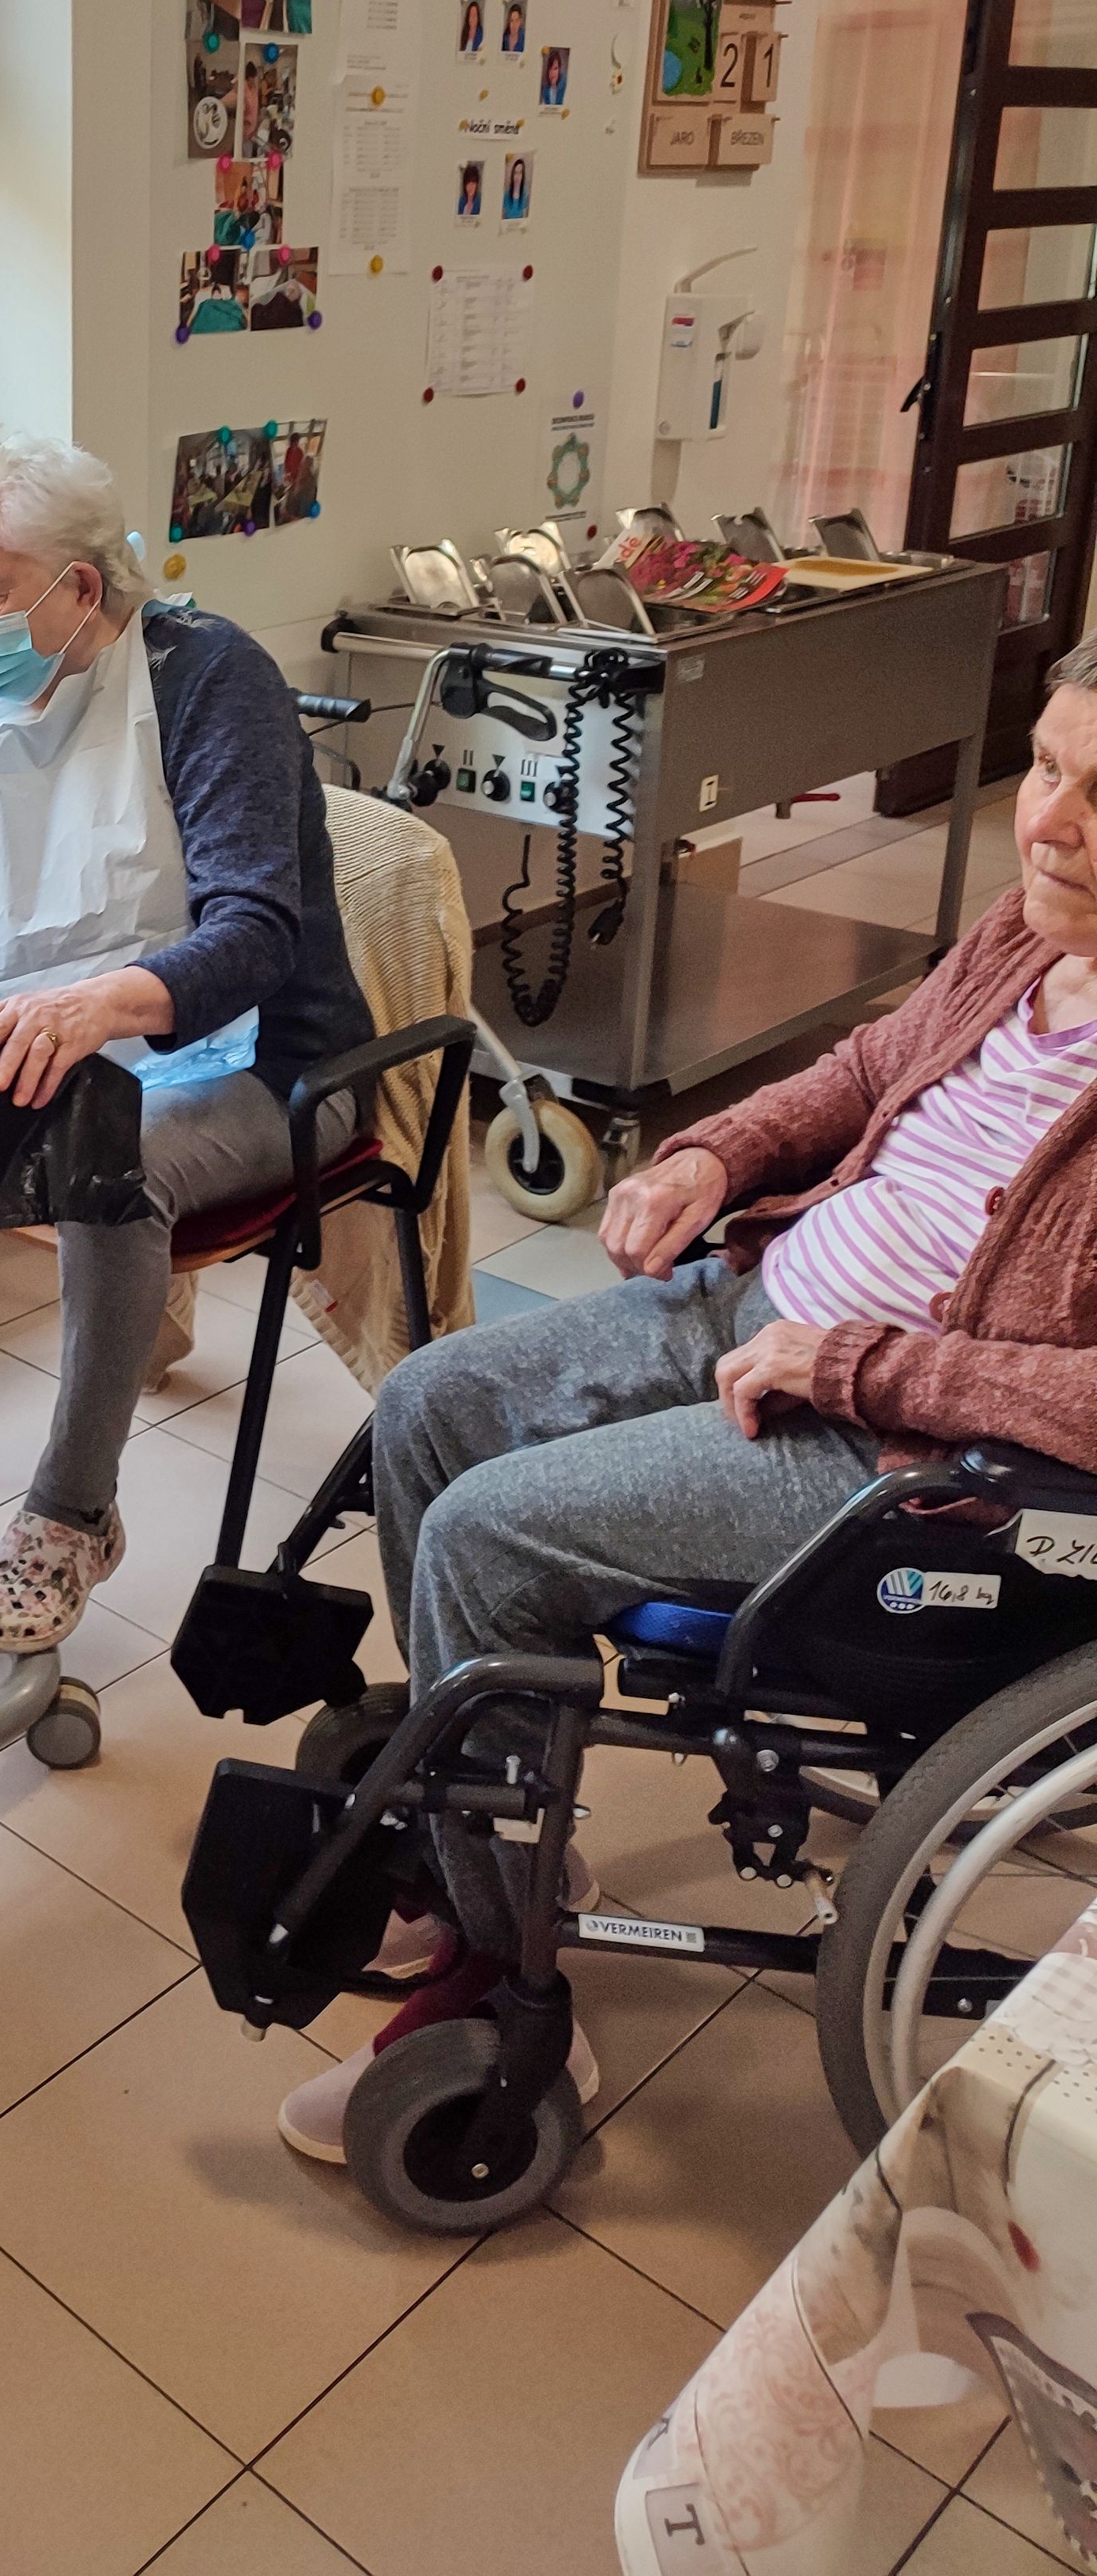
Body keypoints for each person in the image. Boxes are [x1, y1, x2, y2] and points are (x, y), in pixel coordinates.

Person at [278, 638, 1097, 2160]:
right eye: (1047, 765)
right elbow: (865, 1070)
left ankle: (499, 1969)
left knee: (481, 1537)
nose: (1048, 820)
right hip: (767, 1295)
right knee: (427, 1404)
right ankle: (502, 1843)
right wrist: (716, 1156)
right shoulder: (1029, 932)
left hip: (907, 1450)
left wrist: (859, 1364)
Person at [0, 427, 372, 1649]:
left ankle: (70, 1517)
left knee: (115, 1163)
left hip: (270, 1067)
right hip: (49, 1050)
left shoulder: (212, 682)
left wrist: (98, 1006)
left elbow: (257, 932)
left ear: (80, 587)